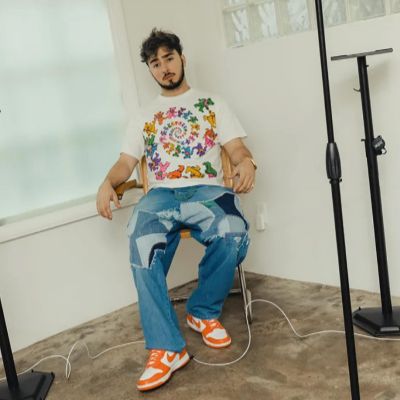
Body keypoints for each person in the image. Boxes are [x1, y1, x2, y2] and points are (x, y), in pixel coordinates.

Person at [96, 28, 256, 392]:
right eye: (156, 63)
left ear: (182, 58)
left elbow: (237, 150)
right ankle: (167, 347)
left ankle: (202, 311)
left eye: (169, 58)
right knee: (141, 240)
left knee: (233, 229)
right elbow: (125, 163)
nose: (164, 68)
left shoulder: (213, 103)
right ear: (150, 70)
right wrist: (107, 181)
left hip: (206, 191)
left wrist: (246, 162)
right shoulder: (143, 115)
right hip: (162, 195)